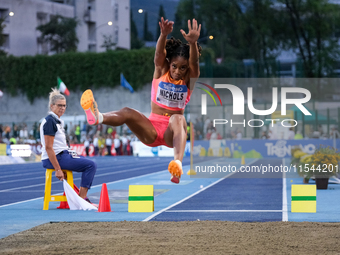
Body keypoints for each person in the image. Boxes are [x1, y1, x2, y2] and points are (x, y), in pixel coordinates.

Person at [80, 17, 201, 183]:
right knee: (128, 112)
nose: (178, 71)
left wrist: (193, 43)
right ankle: (98, 117)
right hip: (151, 129)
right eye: (174, 66)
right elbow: (159, 54)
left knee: (178, 118)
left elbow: (194, 62)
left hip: (171, 133)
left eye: (183, 68)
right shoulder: (161, 70)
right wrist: (163, 35)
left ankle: (177, 164)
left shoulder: (189, 80)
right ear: (169, 63)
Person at [40, 88, 97, 204]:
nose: (62, 108)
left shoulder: (58, 121)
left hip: (62, 155)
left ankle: (80, 198)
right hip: (55, 157)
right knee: (91, 165)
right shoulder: (50, 122)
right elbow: (48, 147)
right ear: (52, 106)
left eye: (64, 105)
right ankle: (82, 200)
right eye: (59, 105)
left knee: (88, 163)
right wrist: (58, 169)